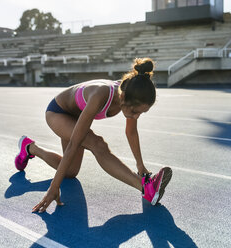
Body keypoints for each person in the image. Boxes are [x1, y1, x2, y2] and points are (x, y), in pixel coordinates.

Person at [14, 58, 172, 213]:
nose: (136, 116)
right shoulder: (100, 95)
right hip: (58, 113)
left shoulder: (130, 91)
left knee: (70, 173)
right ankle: (146, 188)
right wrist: (54, 187)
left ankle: (29, 147)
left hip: (75, 117)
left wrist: (140, 165)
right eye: (135, 112)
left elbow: (131, 132)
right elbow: (74, 144)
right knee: (97, 144)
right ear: (123, 98)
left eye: (141, 113)